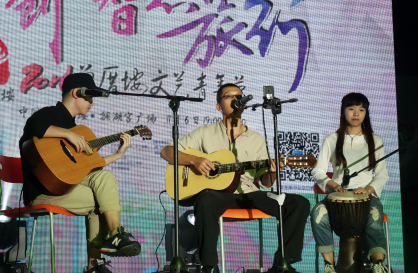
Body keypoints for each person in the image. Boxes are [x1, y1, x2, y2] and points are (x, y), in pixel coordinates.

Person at [160, 83, 310, 273]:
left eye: (239, 96)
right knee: (206, 199)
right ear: (219, 106)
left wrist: (273, 171)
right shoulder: (205, 132)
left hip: (250, 195)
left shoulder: (256, 139)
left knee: (299, 203)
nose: (235, 99)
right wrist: (195, 160)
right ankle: (209, 266)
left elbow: (264, 182)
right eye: (229, 96)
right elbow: (167, 152)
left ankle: (283, 263)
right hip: (217, 196)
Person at [19, 73, 141, 273]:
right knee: (101, 201)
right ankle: (95, 264)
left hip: (67, 189)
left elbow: (90, 168)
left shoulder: (79, 129)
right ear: (77, 93)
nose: (92, 103)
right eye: (90, 97)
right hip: (43, 192)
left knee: (104, 177)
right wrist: (67, 133)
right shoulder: (48, 114)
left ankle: (114, 234)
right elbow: (34, 127)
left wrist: (117, 154)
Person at [311, 92, 389, 273]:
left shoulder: (375, 140)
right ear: (343, 111)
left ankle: (378, 264)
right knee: (317, 214)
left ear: (366, 113)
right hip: (338, 195)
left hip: (366, 196)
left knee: (374, 218)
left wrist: (368, 189)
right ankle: (329, 266)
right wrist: (333, 185)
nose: (356, 114)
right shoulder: (332, 139)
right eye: (351, 108)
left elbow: (382, 174)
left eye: (361, 110)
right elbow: (318, 171)